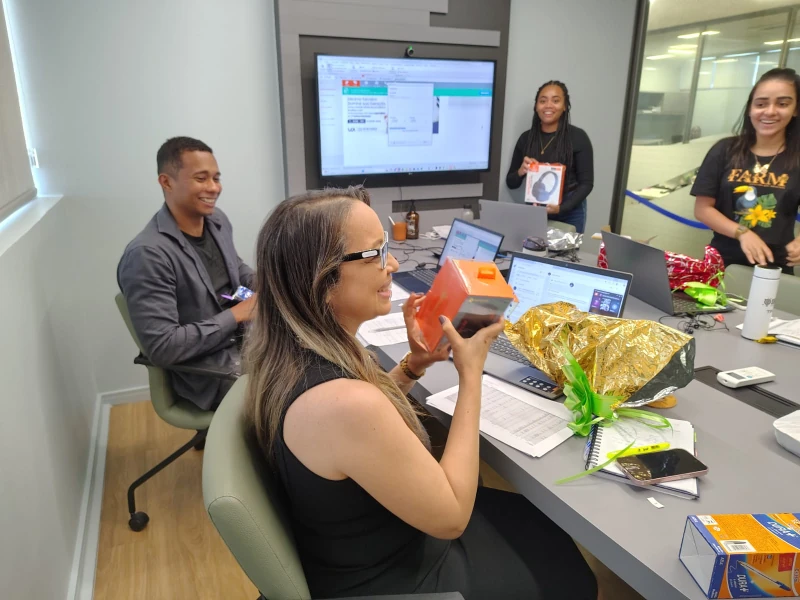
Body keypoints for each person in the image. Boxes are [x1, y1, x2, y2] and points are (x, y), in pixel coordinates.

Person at [244, 186, 599, 599]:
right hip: (398, 575)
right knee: (573, 577)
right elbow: (452, 517)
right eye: (376, 254)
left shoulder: (293, 357)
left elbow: (357, 436)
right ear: (321, 279)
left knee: (530, 518)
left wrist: (414, 365)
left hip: (364, 541)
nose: (392, 264)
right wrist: (470, 375)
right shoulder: (341, 403)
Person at [118, 137, 256, 411]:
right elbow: (164, 347)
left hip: (245, 339)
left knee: (315, 354)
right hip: (212, 370)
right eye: (201, 178)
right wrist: (238, 314)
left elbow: (234, 273)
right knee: (298, 390)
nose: (214, 188)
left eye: (216, 178)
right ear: (166, 182)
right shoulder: (147, 255)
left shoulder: (216, 221)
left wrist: (268, 285)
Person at [692, 68, 800, 272]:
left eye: (782, 104)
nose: (770, 111)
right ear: (750, 108)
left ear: (795, 109)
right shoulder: (725, 150)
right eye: (761, 104)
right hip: (723, 263)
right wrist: (743, 233)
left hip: (774, 267)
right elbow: (703, 209)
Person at [506, 80, 594, 233]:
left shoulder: (578, 137)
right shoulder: (526, 138)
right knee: (534, 248)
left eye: (556, 101)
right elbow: (511, 182)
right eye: (543, 101)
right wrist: (521, 171)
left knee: (567, 250)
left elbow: (586, 184)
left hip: (570, 212)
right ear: (536, 106)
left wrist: (561, 208)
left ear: (565, 106)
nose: (548, 106)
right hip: (535, 210)